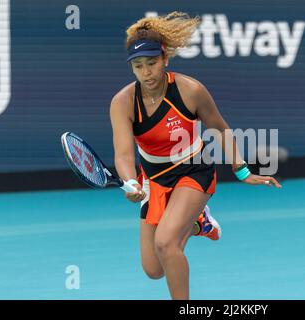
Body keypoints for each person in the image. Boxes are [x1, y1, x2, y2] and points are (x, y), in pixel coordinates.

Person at [109, 11, 282, 300]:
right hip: (153, 178)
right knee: (153, 269)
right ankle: (197, 223)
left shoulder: (191, 91)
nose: (146, 72)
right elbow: (124, 154)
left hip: (193, 170)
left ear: (165, 59)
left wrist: (243, 172)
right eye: (138, 66)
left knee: (166, 243)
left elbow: (221, 129)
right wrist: (130, 182)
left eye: (152, 63)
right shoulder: (123, 102)